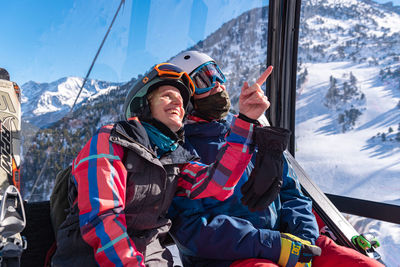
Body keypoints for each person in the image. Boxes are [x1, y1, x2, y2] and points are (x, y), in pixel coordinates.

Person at [168, 51, 384, 267]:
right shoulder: (177, 151)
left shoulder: (252, 130)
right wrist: (275, 246)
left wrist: (304, 239)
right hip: (228, 258)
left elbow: (291, 191)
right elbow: (191, 229)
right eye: (204, 80)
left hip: (289, 242)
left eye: (217, 74)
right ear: (185, 96)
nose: (218, 85)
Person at [51, 62, 270, 267]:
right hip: (90, 258)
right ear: (144, 106)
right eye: (167, 96)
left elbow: (217, 183)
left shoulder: (175, 157)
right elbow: (102, 217)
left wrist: (246, 122)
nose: (178, 104)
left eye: (182, 102)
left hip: (151, 257)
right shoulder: (111, 140)